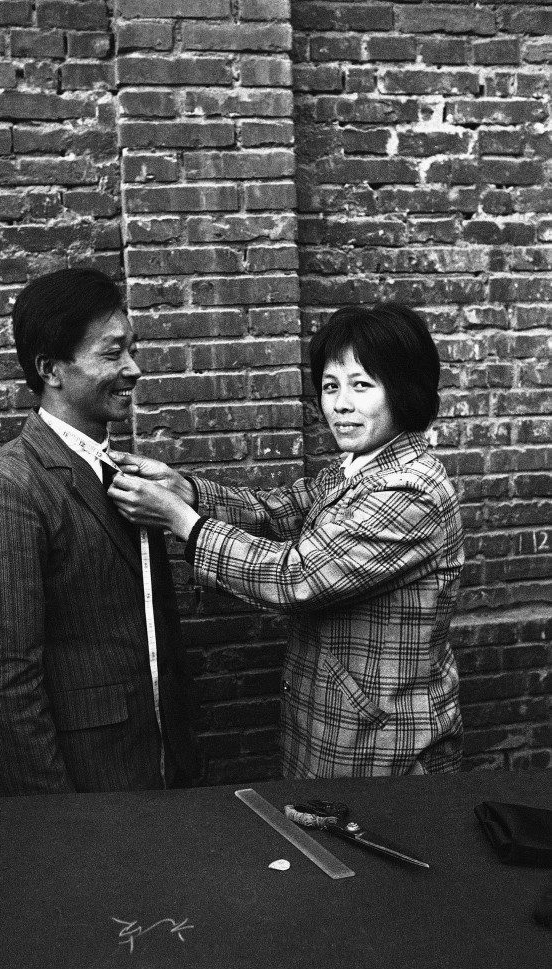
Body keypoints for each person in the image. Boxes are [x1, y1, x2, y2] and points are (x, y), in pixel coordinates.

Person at [108, 304, 464, 778]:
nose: (340, 404)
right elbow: (277, 509)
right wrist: (185, 489)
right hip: (339, 736)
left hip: (386, 751)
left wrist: (183, 522)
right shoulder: (360, 468)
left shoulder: (408, 487)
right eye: (331, 386)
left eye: (361, 385)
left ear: (403, 390)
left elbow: (298, 576)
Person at [0, 267, 198, 796]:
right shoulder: (7, 493)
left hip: (161, 780)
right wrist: (55, 822)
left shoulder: (126, 473)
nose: (133, 369)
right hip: (87, 796)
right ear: (51, 369)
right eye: (111, 353)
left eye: (132, 348)